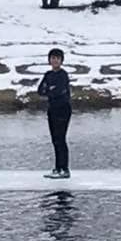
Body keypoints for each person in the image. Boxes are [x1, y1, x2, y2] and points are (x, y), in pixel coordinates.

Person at [38, 47, 71, 179]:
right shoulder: (48, 75)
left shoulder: (63, 75)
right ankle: (57, 168)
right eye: (52, 58)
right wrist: (50, 90)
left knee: (61, 138)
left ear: (61, 60)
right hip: (52, 109)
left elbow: (59, 91)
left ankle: (65, 169)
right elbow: (40, 90)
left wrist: (50, 90)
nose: (55, 60)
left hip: (63, 109)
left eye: (57, 58)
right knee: (55, 140)